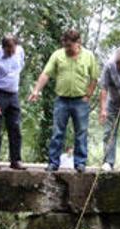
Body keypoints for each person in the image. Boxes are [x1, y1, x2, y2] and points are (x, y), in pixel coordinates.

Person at [28, 29, 99, 173]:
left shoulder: (89, 56)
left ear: (78, 43)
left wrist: (88, 95)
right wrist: (36, 90)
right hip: (62, 100)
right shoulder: (57, 55)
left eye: (70, 46)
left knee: (81, 132)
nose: (67, 49)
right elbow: (46, 74)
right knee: (57, 132)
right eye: (65, 46)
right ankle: (53, 162)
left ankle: (80, 163)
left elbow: (94, 78)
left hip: (80, 100)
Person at [0, 34, 26, 170]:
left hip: (13, 93)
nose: (11, 52)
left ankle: (16, 160)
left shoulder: (20, 51)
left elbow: (20, 66)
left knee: (15, 127)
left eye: (13, 49)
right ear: (3, 48)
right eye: (8, 50)